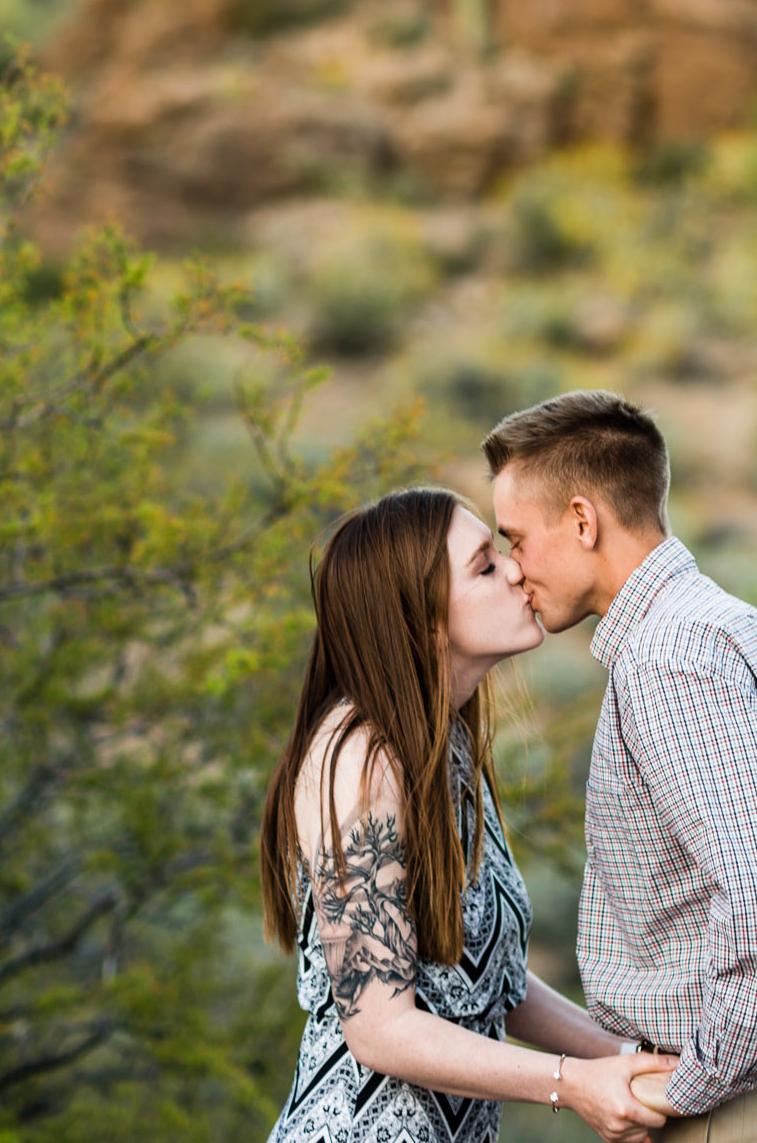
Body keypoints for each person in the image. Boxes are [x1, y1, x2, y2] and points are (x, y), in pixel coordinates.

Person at [487, 390, 757, 1143]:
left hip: (750, 1116)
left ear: (582, 520)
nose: (513, 569)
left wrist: (692, 1084)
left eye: (514, 538)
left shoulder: (667, 658)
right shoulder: (740, 625)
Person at [260, 485, 679, 1142]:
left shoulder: (443, 748)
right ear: (419, 618)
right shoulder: (359, 761)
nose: (515, 568)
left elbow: (495, 987)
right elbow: (380, 1028)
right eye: (484, 565)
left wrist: (631, 1062)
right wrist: (570, 1084)